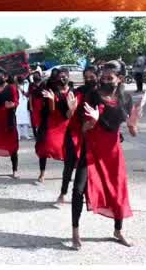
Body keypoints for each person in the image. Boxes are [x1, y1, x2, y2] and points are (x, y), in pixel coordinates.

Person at [68, 61, 139, 249]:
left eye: (110, 78)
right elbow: (82, 128)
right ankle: (75, 233)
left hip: (112, 152)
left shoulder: (125, 99)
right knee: (78, 190)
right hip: (91, 148)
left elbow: (132, 131)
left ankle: (118, 230)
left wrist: (133, 124)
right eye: (103, 77)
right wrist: (92, 122)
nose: (105, 81)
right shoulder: (92, 96)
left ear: (120, 79)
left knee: (118, 191)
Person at [58, 65, 98, 203]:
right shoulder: (77, 92)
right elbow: (68, 115)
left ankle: (89, 196)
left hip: (94, 135)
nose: (88, 80)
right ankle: (63, 192)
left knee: (90, 167)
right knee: (69, 164)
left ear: (98, 77)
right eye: (86, 77)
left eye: (91, 77)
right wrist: (72, 109)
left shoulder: (102, 94)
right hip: (75, 133)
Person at [35, 68, 73, 182]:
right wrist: (51, 100)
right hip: (51, 122)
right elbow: (50, 110)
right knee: (45, 147)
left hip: (66, 124)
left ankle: (67, 173)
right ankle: (42, 173)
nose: (63, 78)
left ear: (68, 77)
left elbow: (71, 113)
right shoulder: (52, 90)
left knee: (66, 149)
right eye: (60, 76)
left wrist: (72, 108)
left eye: (65, 76)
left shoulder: (72, 91)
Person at [16, 76, 33, 140]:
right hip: (18, 103)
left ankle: (26, 135)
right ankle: (18, 135)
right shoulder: (15, 86)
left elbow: (27, 94)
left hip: (24, 103)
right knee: (17, 120)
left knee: (25, 120)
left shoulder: (26, 85)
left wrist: (21, 89)